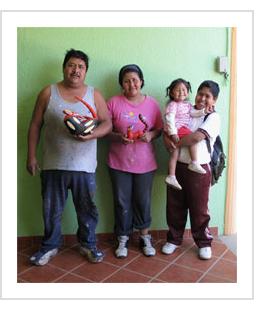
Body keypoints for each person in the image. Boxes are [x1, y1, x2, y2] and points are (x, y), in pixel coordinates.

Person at [27, 49, 112, 266]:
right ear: (64, 67)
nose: (76, 70)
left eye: (81, 67)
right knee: (51, 210)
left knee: (87, 210)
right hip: (52, 164)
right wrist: (31, 156)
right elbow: (35, 124)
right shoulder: (48, 92)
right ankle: (49, 246)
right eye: (71, 65)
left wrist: (92, 134)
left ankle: (88, 244)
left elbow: (108, 123)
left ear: (86, 72)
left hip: (84, 166)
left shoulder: (95, 94)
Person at [107, 64, 163, 258]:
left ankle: (145, 237)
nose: (131, 84)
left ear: (141, 81)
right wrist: (117, 137)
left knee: (143, 201)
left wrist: (152, 135)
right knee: (122, 202)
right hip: (118, 162)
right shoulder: (113, 102)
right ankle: (122, 238)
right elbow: (104, 130)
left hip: (145, 163)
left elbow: (160, 129)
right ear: (121, 84)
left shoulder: (152, 104)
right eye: (126, 80)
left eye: (135, 79)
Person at [162, 80, 220, 260]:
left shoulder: (212, 117)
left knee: (199, 209)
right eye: (200, 93)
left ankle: (203, 242)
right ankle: (173, 239)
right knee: (174, 206)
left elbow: (196, 138)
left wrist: (176, 143)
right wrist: (168, 141)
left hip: (199, 169)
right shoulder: (185, 109)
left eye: (208, 96)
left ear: (214, 100)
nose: (202, 98)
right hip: (178, 166)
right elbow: (167, 131)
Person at [164, 78, 208, 190]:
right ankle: (194, 162)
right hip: (177, 129)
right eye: (178, 90)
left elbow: (193, 113)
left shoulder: (188, 105)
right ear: (172, 93)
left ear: (188, 92)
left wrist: (204, 112)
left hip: (179, 129)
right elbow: (169, 118)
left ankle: (171, 176)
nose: (181, 93)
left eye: (184, 90)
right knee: (192, 141)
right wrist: (173, 133)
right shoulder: (173, 104)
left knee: (174, 153)